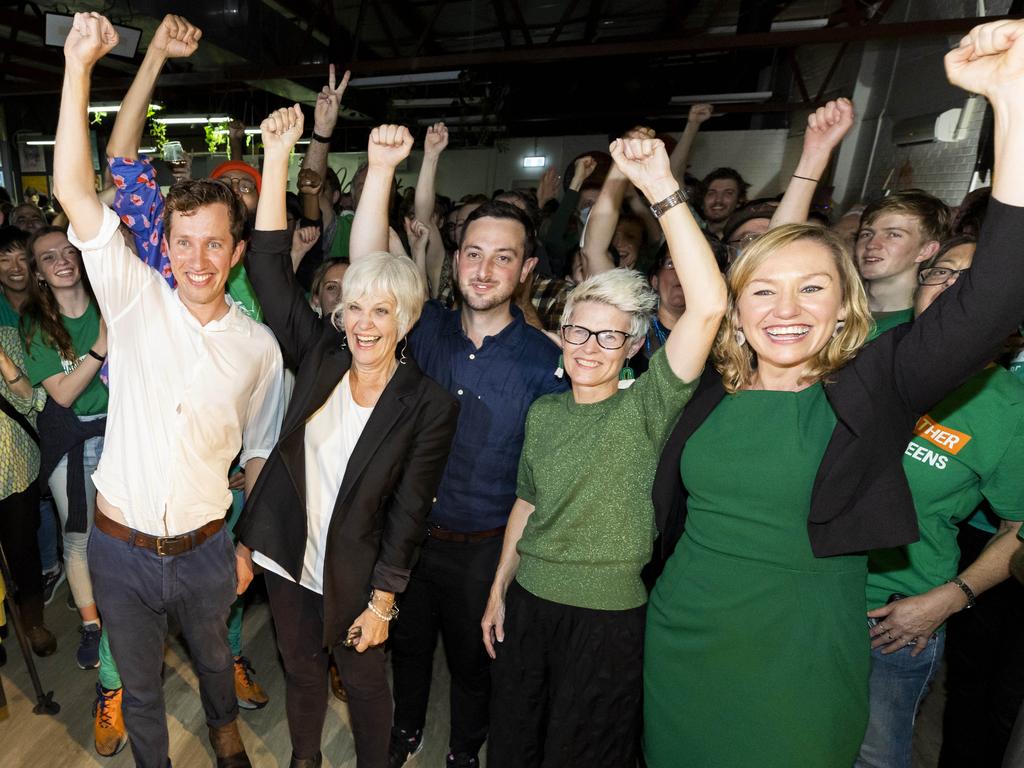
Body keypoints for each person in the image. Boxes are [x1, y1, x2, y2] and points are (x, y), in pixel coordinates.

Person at [643, 20, 1024, 767]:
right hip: (682, 636)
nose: (786, 310)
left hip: (804, 654)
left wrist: (1011, 102)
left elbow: (997, 294)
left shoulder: (873, 385)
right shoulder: (707, 387)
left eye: (812, 288)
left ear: (845, 306)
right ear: (736, 310)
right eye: (767, 294)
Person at [55, 13, 284, 767]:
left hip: (206, 550)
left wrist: (243, 544)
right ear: (165, 244)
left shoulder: (258, 348)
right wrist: (79, 67)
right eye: (182, 242)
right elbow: (76, 185)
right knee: (144, 688)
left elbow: (258, 453)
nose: (196, 258)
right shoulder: (133, 295)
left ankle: (226, 737)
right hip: (120, 551)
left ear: (236, 251)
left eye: (214, 243)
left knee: (217, 663)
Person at [480, 134, 726, 768]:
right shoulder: (545, 412)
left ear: (633, 345)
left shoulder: (649, 405)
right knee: (513, 742)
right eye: (577, 331)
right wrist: (499, 587)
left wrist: (661, 188)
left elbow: (707, 306)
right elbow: (526, 503)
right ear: (560, 335)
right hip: (530, 604)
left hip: (609, 619)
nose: (588, 346)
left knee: (582, 752)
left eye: (608, 336)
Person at [234, 105, 458, 768]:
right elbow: (270, 274)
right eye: (353, 306)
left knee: (362, 683)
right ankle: (306, 759)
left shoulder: (427, 404)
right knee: (300, 670)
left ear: (407, 318)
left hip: (357, 569)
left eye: (380, 310)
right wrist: (277, 159)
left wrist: (385, 599)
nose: (363, 322)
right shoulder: (323, 356)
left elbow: (411, 510)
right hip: (285, 552)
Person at [348, 125, 567, 768]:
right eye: (474, 253)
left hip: (487, 549)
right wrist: (383, 168)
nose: (485, 268)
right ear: (457, 257)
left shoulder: (544, 364)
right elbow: (367, 269)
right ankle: (406, 732)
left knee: (476, 661)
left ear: (526, 270)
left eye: (504, 257)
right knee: (408, 650)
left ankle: (464, 749)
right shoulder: (425, 328)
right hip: (410, 540)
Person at [854, 235, 1024, 768]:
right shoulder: (861, 348)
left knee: (875, 758)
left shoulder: (1009, 411)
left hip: (889, 621)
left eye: (974, 283)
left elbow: (1019, 525)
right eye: (943, 272)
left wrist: (950, 599)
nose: (954, 288)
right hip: (799, 592)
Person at [20, 225, 108, 671]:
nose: (62, 260)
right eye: (49, 257)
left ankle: (121, 613)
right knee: (79, 537)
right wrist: (101, 346)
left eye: (68, 251)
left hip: (122, 434)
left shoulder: (108, 301)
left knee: (123, 534)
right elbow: (63, 394)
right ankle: (91, 625)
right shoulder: (35, 325)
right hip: (72, 439)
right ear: (38, 274)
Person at [0, 324, 52, 656]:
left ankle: (33, 622)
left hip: (14, 471)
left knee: (23, 552)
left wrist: (2, 359)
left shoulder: (9, 336)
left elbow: (34, 401)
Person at [855, 190, 950, 336]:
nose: (872, 244)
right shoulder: (833, 305)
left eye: (893, 234)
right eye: (866, 234)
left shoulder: (925, 326)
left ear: (925, 251)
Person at [701, 167, 749, 237]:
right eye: (711, 193)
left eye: (728, 193)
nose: (718, 200)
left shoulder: (743, 239)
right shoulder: (687, 229)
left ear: (739, 200)